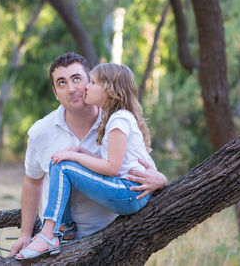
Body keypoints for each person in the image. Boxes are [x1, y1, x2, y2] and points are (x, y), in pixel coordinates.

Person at [11, 53, 167, 258]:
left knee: (63, 163)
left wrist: (161, 179)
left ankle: (49, 235)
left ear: (91, 83)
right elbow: (32, 181)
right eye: (62, 83)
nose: (72, 88)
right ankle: (54, 233)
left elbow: (138, 164)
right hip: (64, 244)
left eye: (78, 79)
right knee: (62, 163)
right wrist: (25, 233)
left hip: (112, 237)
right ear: (55, 92)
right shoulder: (41, 132)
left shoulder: (114, 120)